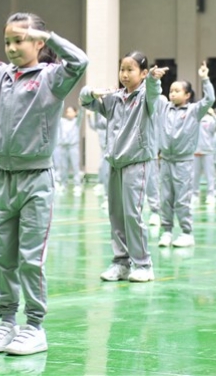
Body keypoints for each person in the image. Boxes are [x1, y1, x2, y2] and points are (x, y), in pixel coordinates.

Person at [0, 0, 88, 355]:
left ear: (38, 43)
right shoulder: (0, 76)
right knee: (4, 258)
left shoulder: (51, 78)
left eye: (20, 40)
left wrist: (52, 37)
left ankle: (34, 326)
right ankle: (6, 321)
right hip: (3, 178)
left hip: (35, 180)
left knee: (30, 258)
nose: (12, 48)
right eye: (8, 41)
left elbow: (80, 62)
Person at [79, 51, 166, 283]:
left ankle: (144, 265)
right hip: (115, 164)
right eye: (122, 70)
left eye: (130, 70)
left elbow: (154, 92)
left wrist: (153, 80)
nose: (125, 74)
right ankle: (121, 263)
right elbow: (84, 101)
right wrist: (92, 92)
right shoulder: (114, 98)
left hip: (136, 162)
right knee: (116, 215)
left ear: (143, 73)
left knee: (132, 214)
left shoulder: (146, 97)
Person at [155, 62, 215, 248]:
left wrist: (205, 78)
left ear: (187, 95)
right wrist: (155, 80)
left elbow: (210, 99)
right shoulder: (164, 108)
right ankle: (166, 231)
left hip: (183, 162)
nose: (172, 94)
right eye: (171, 91)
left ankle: (186, 233)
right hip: (166, 160)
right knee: (165, 198)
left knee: (182, 199)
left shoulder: (194, 111)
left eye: (177, 91)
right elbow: (154, 94)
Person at [192, 109, 216, 205]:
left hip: (207, 151)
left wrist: (214, 114)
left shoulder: (210, 119)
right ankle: (194, 195)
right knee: (194, 175)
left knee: (210, 175)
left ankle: (210, 195)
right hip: (195, 152)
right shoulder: (193, 118)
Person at [57, 106, 84, 196]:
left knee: (75, 167)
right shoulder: (62, 121)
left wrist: (81, 105)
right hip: (63, 147)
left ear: (75, 113)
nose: (68, 113)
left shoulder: (76, 122)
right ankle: (63, 184)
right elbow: (57, 112)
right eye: (67, 111)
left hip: (73, 147)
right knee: (63, 167)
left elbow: (81, 114)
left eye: (71, 111)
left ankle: (77, 185)